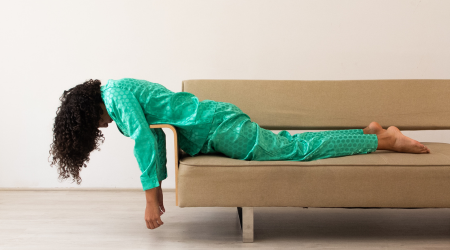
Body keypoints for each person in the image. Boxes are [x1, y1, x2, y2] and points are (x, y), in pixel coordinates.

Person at [49, 78, 431, 230]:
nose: (96, 133)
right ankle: (371, 135)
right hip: (214, 127)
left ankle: (382, 140)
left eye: (87, 130)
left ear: (84, 116)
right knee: (290, 147)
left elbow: (145, 141)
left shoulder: (114, 99)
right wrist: (160, 185)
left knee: (294, 150)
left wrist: (152, 197)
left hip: (218, 128)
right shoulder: (115, 89)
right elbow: (158, 133)